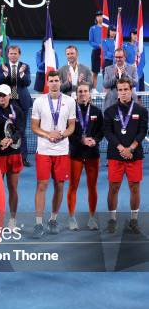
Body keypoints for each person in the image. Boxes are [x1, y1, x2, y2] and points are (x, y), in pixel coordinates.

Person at [30, 71, 76, 238]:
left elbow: (72, 126)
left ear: (61, 82)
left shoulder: (70, 101)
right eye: (51, 81)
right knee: (42, 185)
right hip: (43, 150)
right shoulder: (39, 102)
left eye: (57, 80)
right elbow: (34, 126)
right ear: (47, 83)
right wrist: (48, 134)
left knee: (60, 185)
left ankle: (53, 219)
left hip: (62, 151)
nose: (54, 83)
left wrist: (62, 135)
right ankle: (38, 223)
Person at [103, 78, 148, 234]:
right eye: (120, 90)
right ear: (117, 91)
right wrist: (122, 148)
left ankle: (134, 220)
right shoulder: (109, 111)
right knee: (113, 188)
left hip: (134, 156)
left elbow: (143, 131)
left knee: (134, 188)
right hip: (116, 155)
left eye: (126, 89)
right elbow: (108, 132)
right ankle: (112, 219)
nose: (123, 92)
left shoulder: (142, 111)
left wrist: (132, 148)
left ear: (131, 90)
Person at [66, 83, 103, 231]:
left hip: (93, 154)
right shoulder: (70, 111)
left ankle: (92, 218)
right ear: (76, 94)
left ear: (89, 93)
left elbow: (102, 131)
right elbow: (68, 132)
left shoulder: (97, 111)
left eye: (85, 91)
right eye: (80, 91)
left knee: (92, 187)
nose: (82, 94)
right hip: (76, 154)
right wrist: (81, 140)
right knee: (73, 187)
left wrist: (95, 140)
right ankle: (71, 218)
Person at [0, 84, 24, 229]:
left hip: (14, 153)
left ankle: (12, 220)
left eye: (4, 95)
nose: (1, 98)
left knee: (13, 188)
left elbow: (21, 129)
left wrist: (11, 139)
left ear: (10, 95)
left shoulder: (18, 110)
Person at [0, 45, 32, 167]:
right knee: (7, 129)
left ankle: (23, 157)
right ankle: (8, 153)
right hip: (8, 103)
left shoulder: (25, 67)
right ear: (7, 55)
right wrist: (5, 73)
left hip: (22, 102)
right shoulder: (2, 67)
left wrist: (21, 74)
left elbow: (27, 82)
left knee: (21, 130)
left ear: (19, 54)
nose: (13, 55)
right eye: (11, 53)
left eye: (15, 53)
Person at [123, 28, 146, 94]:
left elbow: (143, 61)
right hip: (129, 75)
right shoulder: (124, 46)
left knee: (139, 96)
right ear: (131, 35)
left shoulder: (141, 46)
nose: (136, 36)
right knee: (129, 95)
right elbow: (123, 61)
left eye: (137, 34)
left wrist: (139, 71)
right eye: (134, 34)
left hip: (140, 74)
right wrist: (130, 68)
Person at [88, 10, 103, 90]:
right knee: (95, 73)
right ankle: (93, 89)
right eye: (98, 16)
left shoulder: (107, 28)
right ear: (96, 18)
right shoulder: (92, 28)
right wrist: (98, 45)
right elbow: (90, 42)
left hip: (106, 53)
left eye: (101, 16)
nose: (99, 17)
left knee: (106, 72)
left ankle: (106, 90)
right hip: (96, 52)